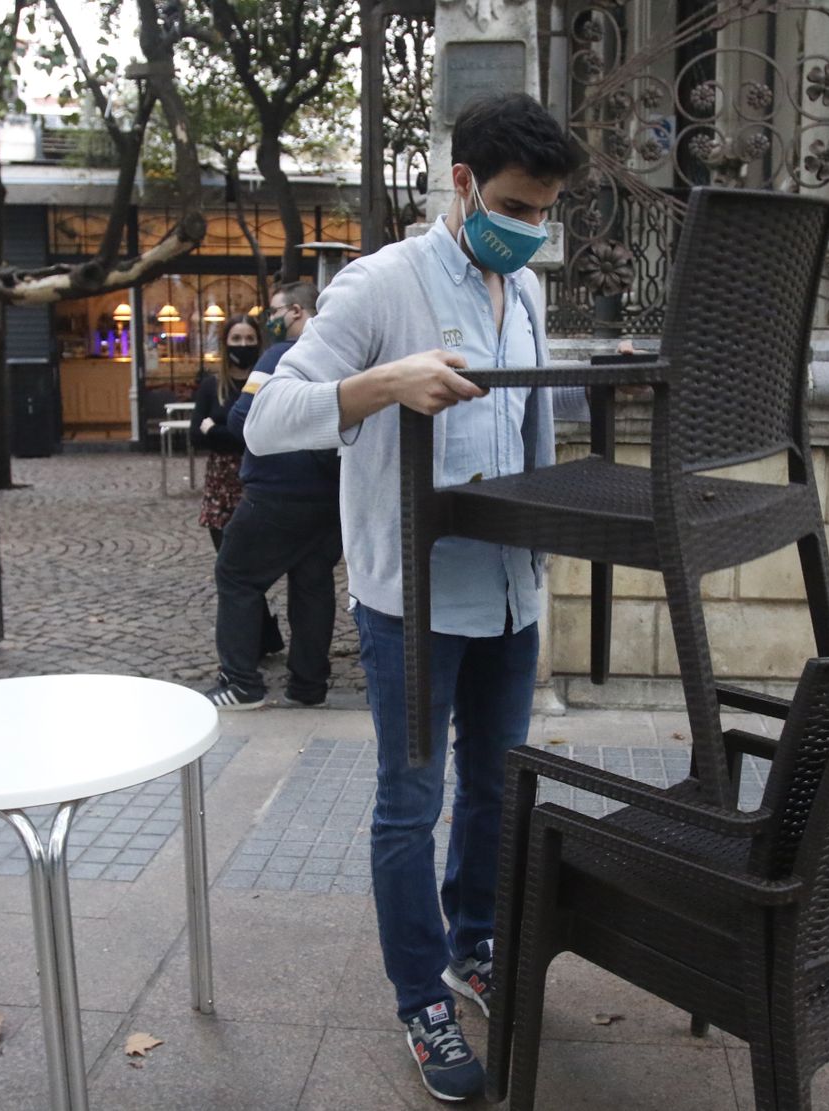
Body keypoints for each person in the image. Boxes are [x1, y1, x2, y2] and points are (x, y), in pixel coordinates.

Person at [243, 93, 585, 1102]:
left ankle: (469, 943)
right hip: (415, 605)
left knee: (492, 790)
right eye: (515, 205)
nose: (528, 228)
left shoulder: (521, 292)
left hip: (511, 596)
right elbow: (267, 421)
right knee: (411, 804)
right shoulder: (378, 285)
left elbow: (529, 425)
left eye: (544, 212)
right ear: (463, 182)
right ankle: (417, 996)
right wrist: (384, 383)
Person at [206, 281, 342, 711]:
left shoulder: (280, 355)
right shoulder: (346, 354)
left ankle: (241, 683)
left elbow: (242, 417)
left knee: (237, 576)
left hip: (276, 489)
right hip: (330, 495)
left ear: (298, 312)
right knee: (313, 585)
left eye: (277, 311)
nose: (272, 320)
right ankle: (308, 685)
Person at [190, 314, 286, 656]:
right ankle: (261, 638)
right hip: (221, 489)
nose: (242, 346)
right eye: (236, 339)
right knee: (231, 566)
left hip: (256, 482)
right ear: (225, 343)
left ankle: (258, 639)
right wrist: (226, 432)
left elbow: (252, 432)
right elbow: (196, 436)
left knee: (249, 567)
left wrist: (215, 429)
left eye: (249, 339)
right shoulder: (211, 385)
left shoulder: (267, 381)